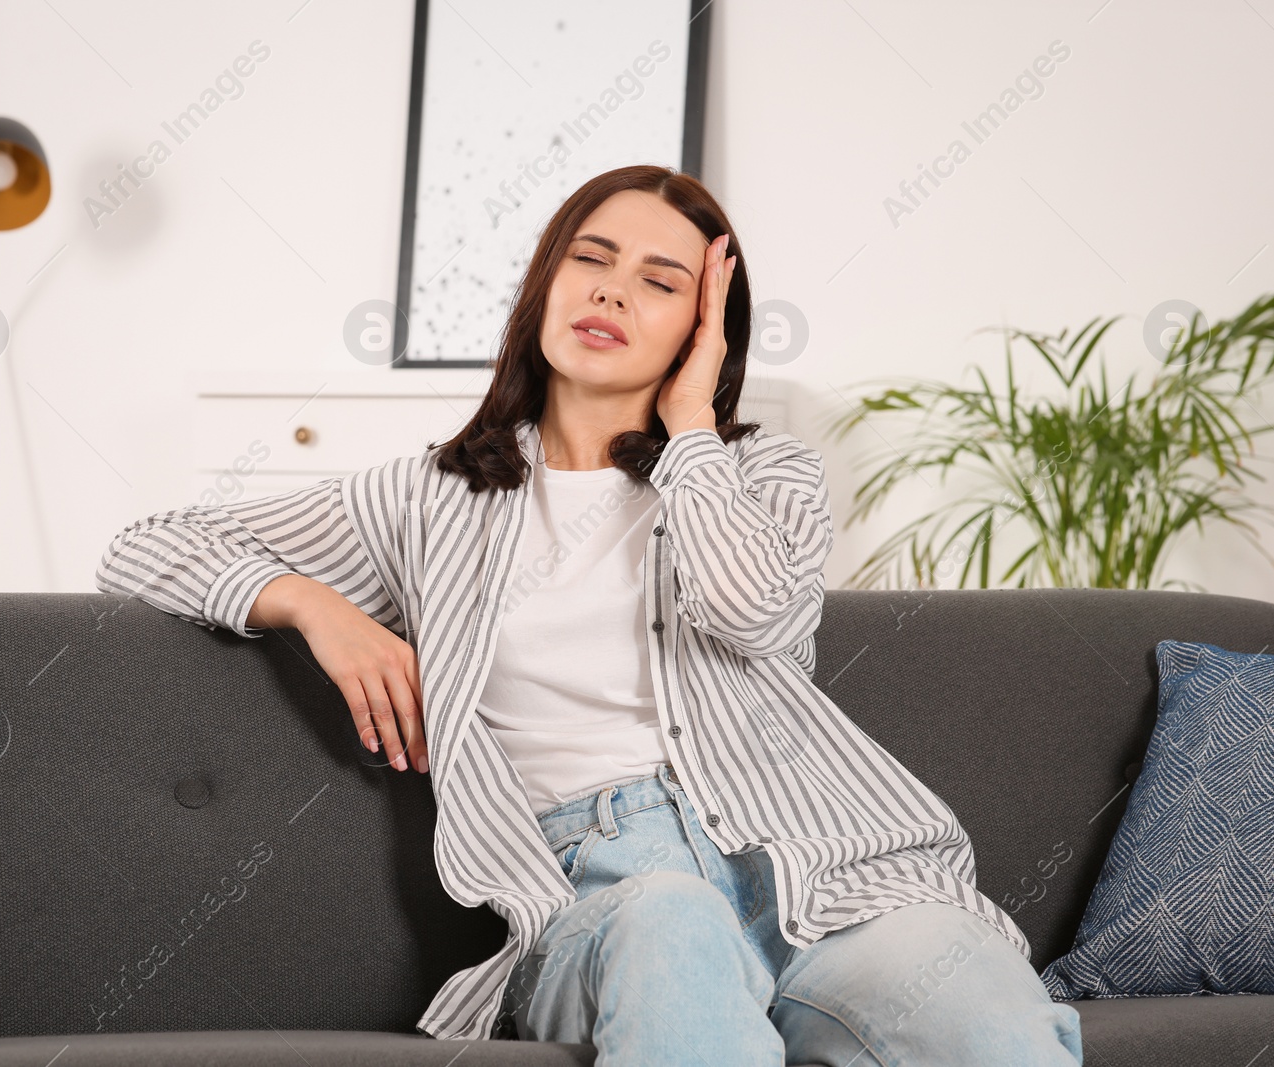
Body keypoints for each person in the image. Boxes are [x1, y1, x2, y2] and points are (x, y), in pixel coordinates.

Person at [95, 164, 1084, 1064]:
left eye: (661, 281)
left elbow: (753, 614)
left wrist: (692, 428)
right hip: (607, 889)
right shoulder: (424, 499)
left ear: (707, 327)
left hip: (825, 880)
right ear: (545, 283)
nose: (613, 288)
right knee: (674, 919)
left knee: (984, 1010)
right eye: (593, 258)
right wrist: (317, 606)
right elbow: (142, 543)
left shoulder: (759, 474)